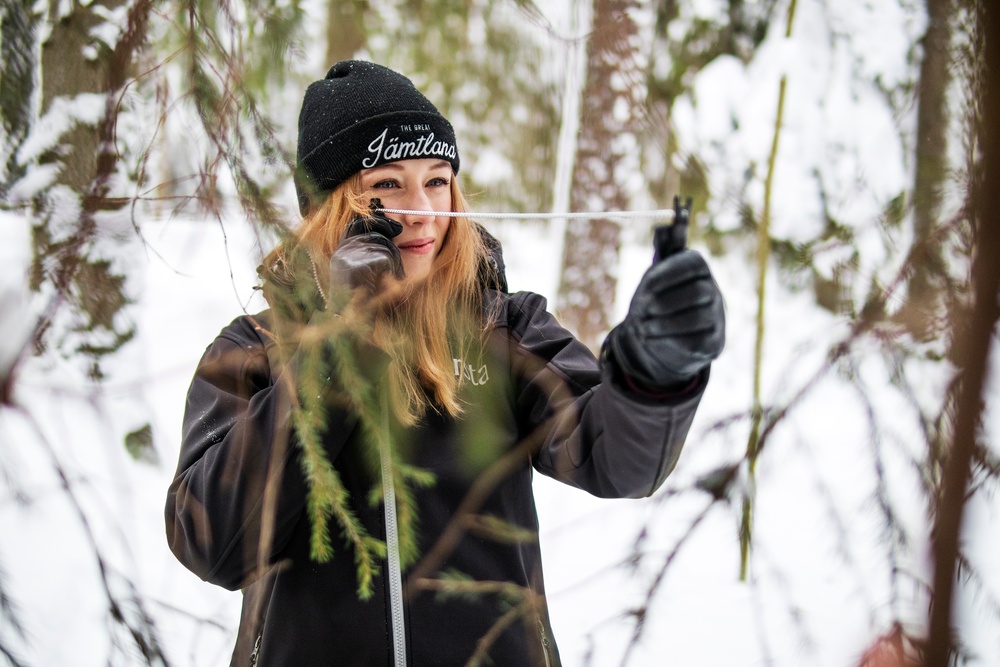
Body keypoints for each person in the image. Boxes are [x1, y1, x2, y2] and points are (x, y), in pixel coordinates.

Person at [165, 60, 725, 667]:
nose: (423, 210)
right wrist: (339, 349)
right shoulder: (255, 349)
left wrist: (655, 370)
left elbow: (615, 458)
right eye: (387, 186)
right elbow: (210, 542)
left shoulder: (503, 327)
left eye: (437, 181)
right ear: (329, 208)